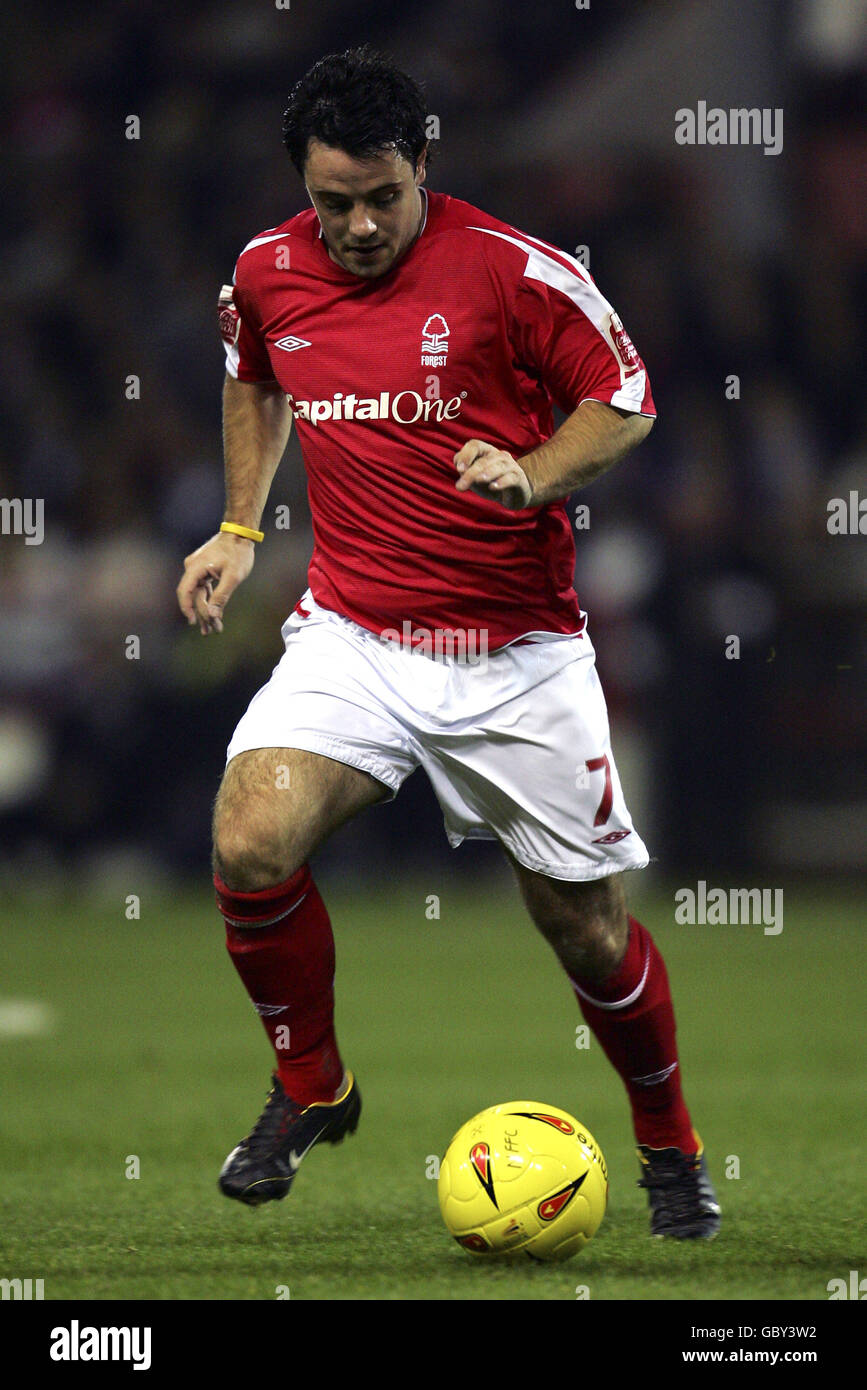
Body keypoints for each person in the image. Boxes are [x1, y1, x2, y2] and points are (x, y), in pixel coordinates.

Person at [176, 46, 720, 1239]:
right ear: (300, 186)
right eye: (334, 203)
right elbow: (254, 376)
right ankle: (313, 1085)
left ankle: (670, 1144)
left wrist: (531, 475)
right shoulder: (266, 272)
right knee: (249, 836)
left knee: (583, 924)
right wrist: (236, 525)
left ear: (425, 164)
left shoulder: (514, 272)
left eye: (384, 196)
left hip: (513, 652)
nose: (360, 225)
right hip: (355, 632)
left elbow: (624, 397)